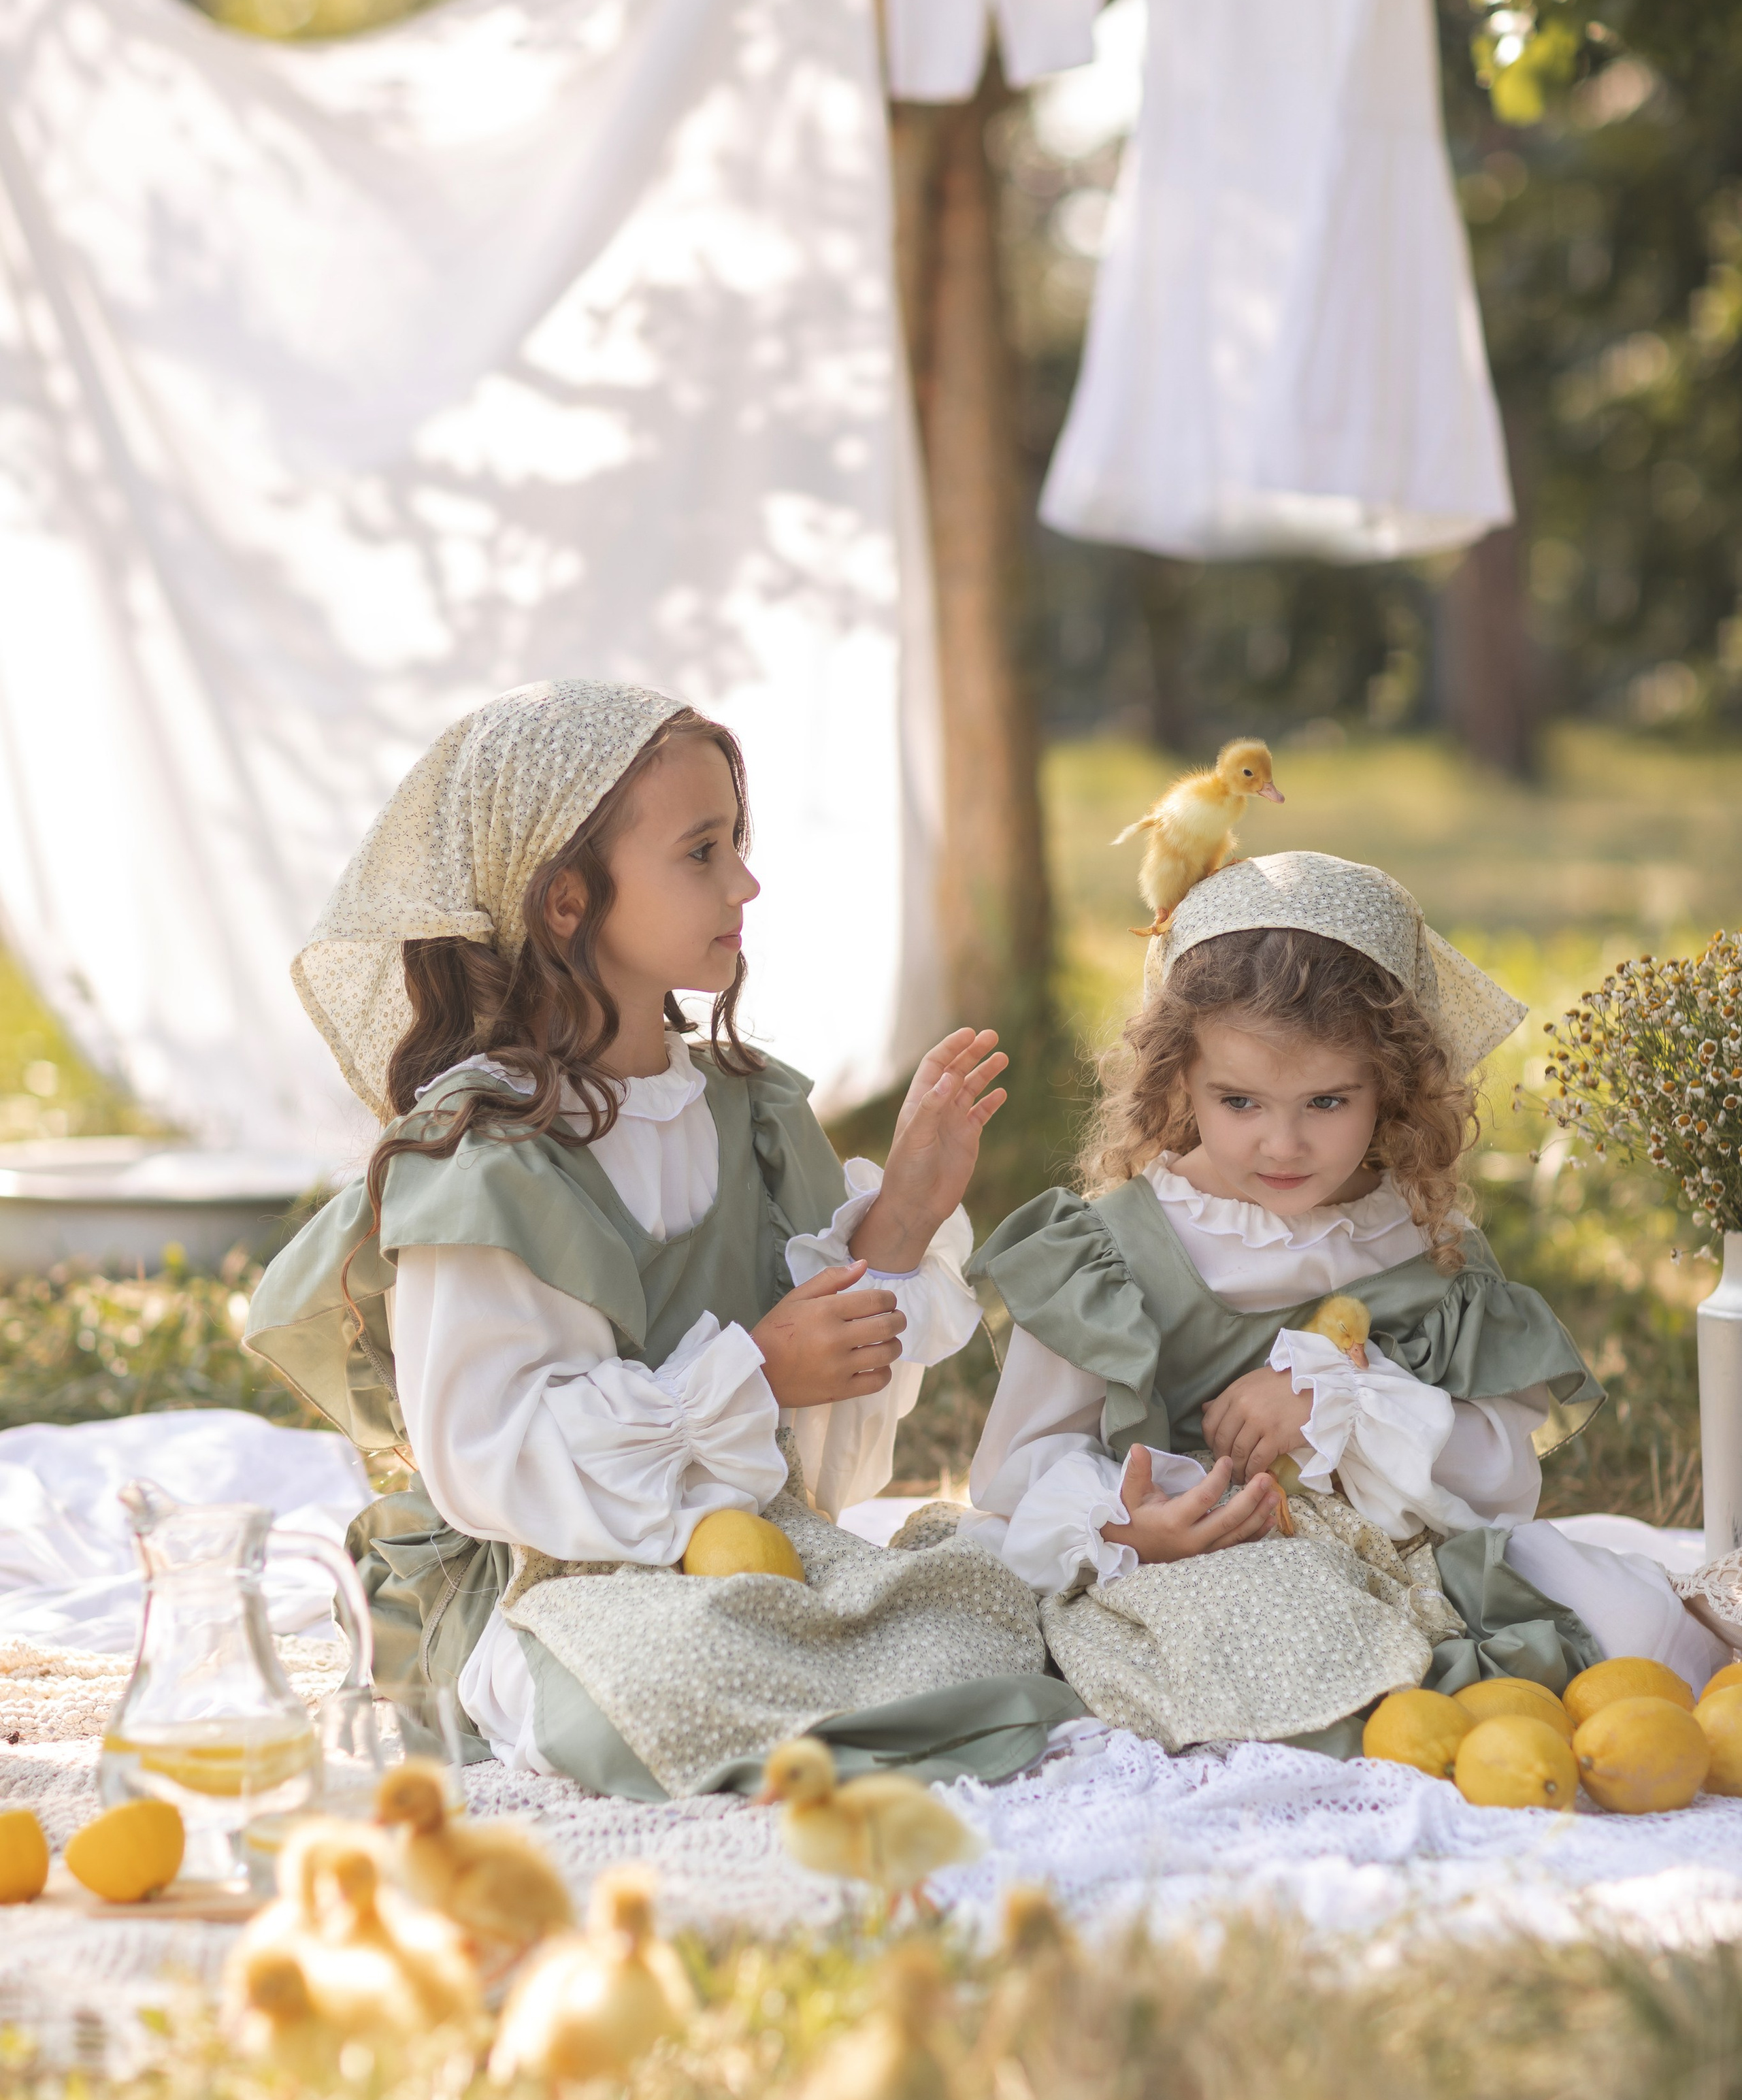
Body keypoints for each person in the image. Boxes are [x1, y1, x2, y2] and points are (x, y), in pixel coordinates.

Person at [247, 680, 1077, 1798]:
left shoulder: (752, 1113)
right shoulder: (487, 1158)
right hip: (550, 1582)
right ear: (566, 903)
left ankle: (824, 1691)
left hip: (737, 1558)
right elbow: (492, 1458)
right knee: (668, 1676)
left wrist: (900, 1225)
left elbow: (819, 1473)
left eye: (737, 842)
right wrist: (755, 1370)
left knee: (979, 1610)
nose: (745, 882)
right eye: (701, 852)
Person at [962, 852, 1732, 1754]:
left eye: (1327, 1101)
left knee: (1639, 1629)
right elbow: (1015, 1471)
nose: (1282, 1144)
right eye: (1240, 1101)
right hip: (1208, 1563)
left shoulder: (1422, 1243)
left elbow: (1500, 1480)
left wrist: (1344, 1402)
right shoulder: (1113, 1253)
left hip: (1419, 1555)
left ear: (1391, 1088)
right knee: (1291, 1637)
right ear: (1178, 1081)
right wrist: (1125, 1526)